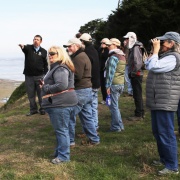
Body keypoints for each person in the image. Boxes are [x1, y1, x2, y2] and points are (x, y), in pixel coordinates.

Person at [145, 31, 180, 175]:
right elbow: (148, 64)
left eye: (163, 42)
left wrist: (156, 51)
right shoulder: (164, 56)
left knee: (166, 132)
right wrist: (155, 52)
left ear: (171, 43)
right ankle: (164, 159)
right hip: (159, 99)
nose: (160, 44)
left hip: (165, 100)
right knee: (158, 131)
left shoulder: (173, 57)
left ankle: (172, 166)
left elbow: (154, 66)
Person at [41, 46, 78, 164]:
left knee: (61, 130)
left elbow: (61, 85)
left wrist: (45, 87)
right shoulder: (58, 67)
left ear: (60, 54)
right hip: (62, 103)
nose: (50, 55)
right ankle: (60, 151)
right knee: (61, 129)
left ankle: (63, 157)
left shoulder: (60, 68)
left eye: (53, 53)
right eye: (49, 53)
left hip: (60, 104)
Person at [63, 38, 100, 146]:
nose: (68, 48)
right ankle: (94, 139)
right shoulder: (83, 55)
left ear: (76, 46)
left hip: (80, 91)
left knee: (69, 116)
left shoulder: (78, 58)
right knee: (87, 117)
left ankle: (70, 141)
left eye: (70, 46)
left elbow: (77, 76)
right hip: (87, 90)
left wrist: (66, 83)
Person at [19, 35, 48, 116]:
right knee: (31, 94)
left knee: (41, 93)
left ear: (41, 41)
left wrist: (45, 74)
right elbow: (24, 48)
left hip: (39, 76)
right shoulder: (29, 48)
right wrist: (22, 46)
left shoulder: (44, 51)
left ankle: (42, 109)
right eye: (34, 39)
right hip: (29, 76)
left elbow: (45, 64)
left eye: (37, 39)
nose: (35, 41)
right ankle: (33, 110)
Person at [79, 33, 100, 130]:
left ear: (82, 42)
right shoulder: (95, 50)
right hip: (97, 82)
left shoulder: (85, 53)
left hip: (90, 83)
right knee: (94, 107)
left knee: (88, 109)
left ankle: (89, 129)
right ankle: (95, 126)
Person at [105, 38, 126, 132]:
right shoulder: (122, 55)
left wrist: (107, 86)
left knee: (113, 107)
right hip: (120, 83)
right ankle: (120, 125)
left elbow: (110, 73)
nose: (107, 47)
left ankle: (116, 127)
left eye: (109, 45)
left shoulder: (113, 56)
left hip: (114, 84)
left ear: (115, 45)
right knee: (115, 106)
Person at [123, 32, 144, 120]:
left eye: (127, 39)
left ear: (131, 38)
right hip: (136, 73)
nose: (125, 41)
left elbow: (137, 62)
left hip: (136, 74)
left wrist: (133, 72)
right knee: (137, 94)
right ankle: (140, 113)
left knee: (137, 94)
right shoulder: (135, 47)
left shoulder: (135, 47)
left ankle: (139, 114)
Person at [99, 38, 109, 104]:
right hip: (100, 69)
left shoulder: (108, 51)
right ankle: (104, 98)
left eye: (104, 43)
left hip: (106, 69)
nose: (102, 44)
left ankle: (108, 99)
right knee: (102, 85)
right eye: (102, 43)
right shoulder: (99, 50)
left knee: (107, 85)